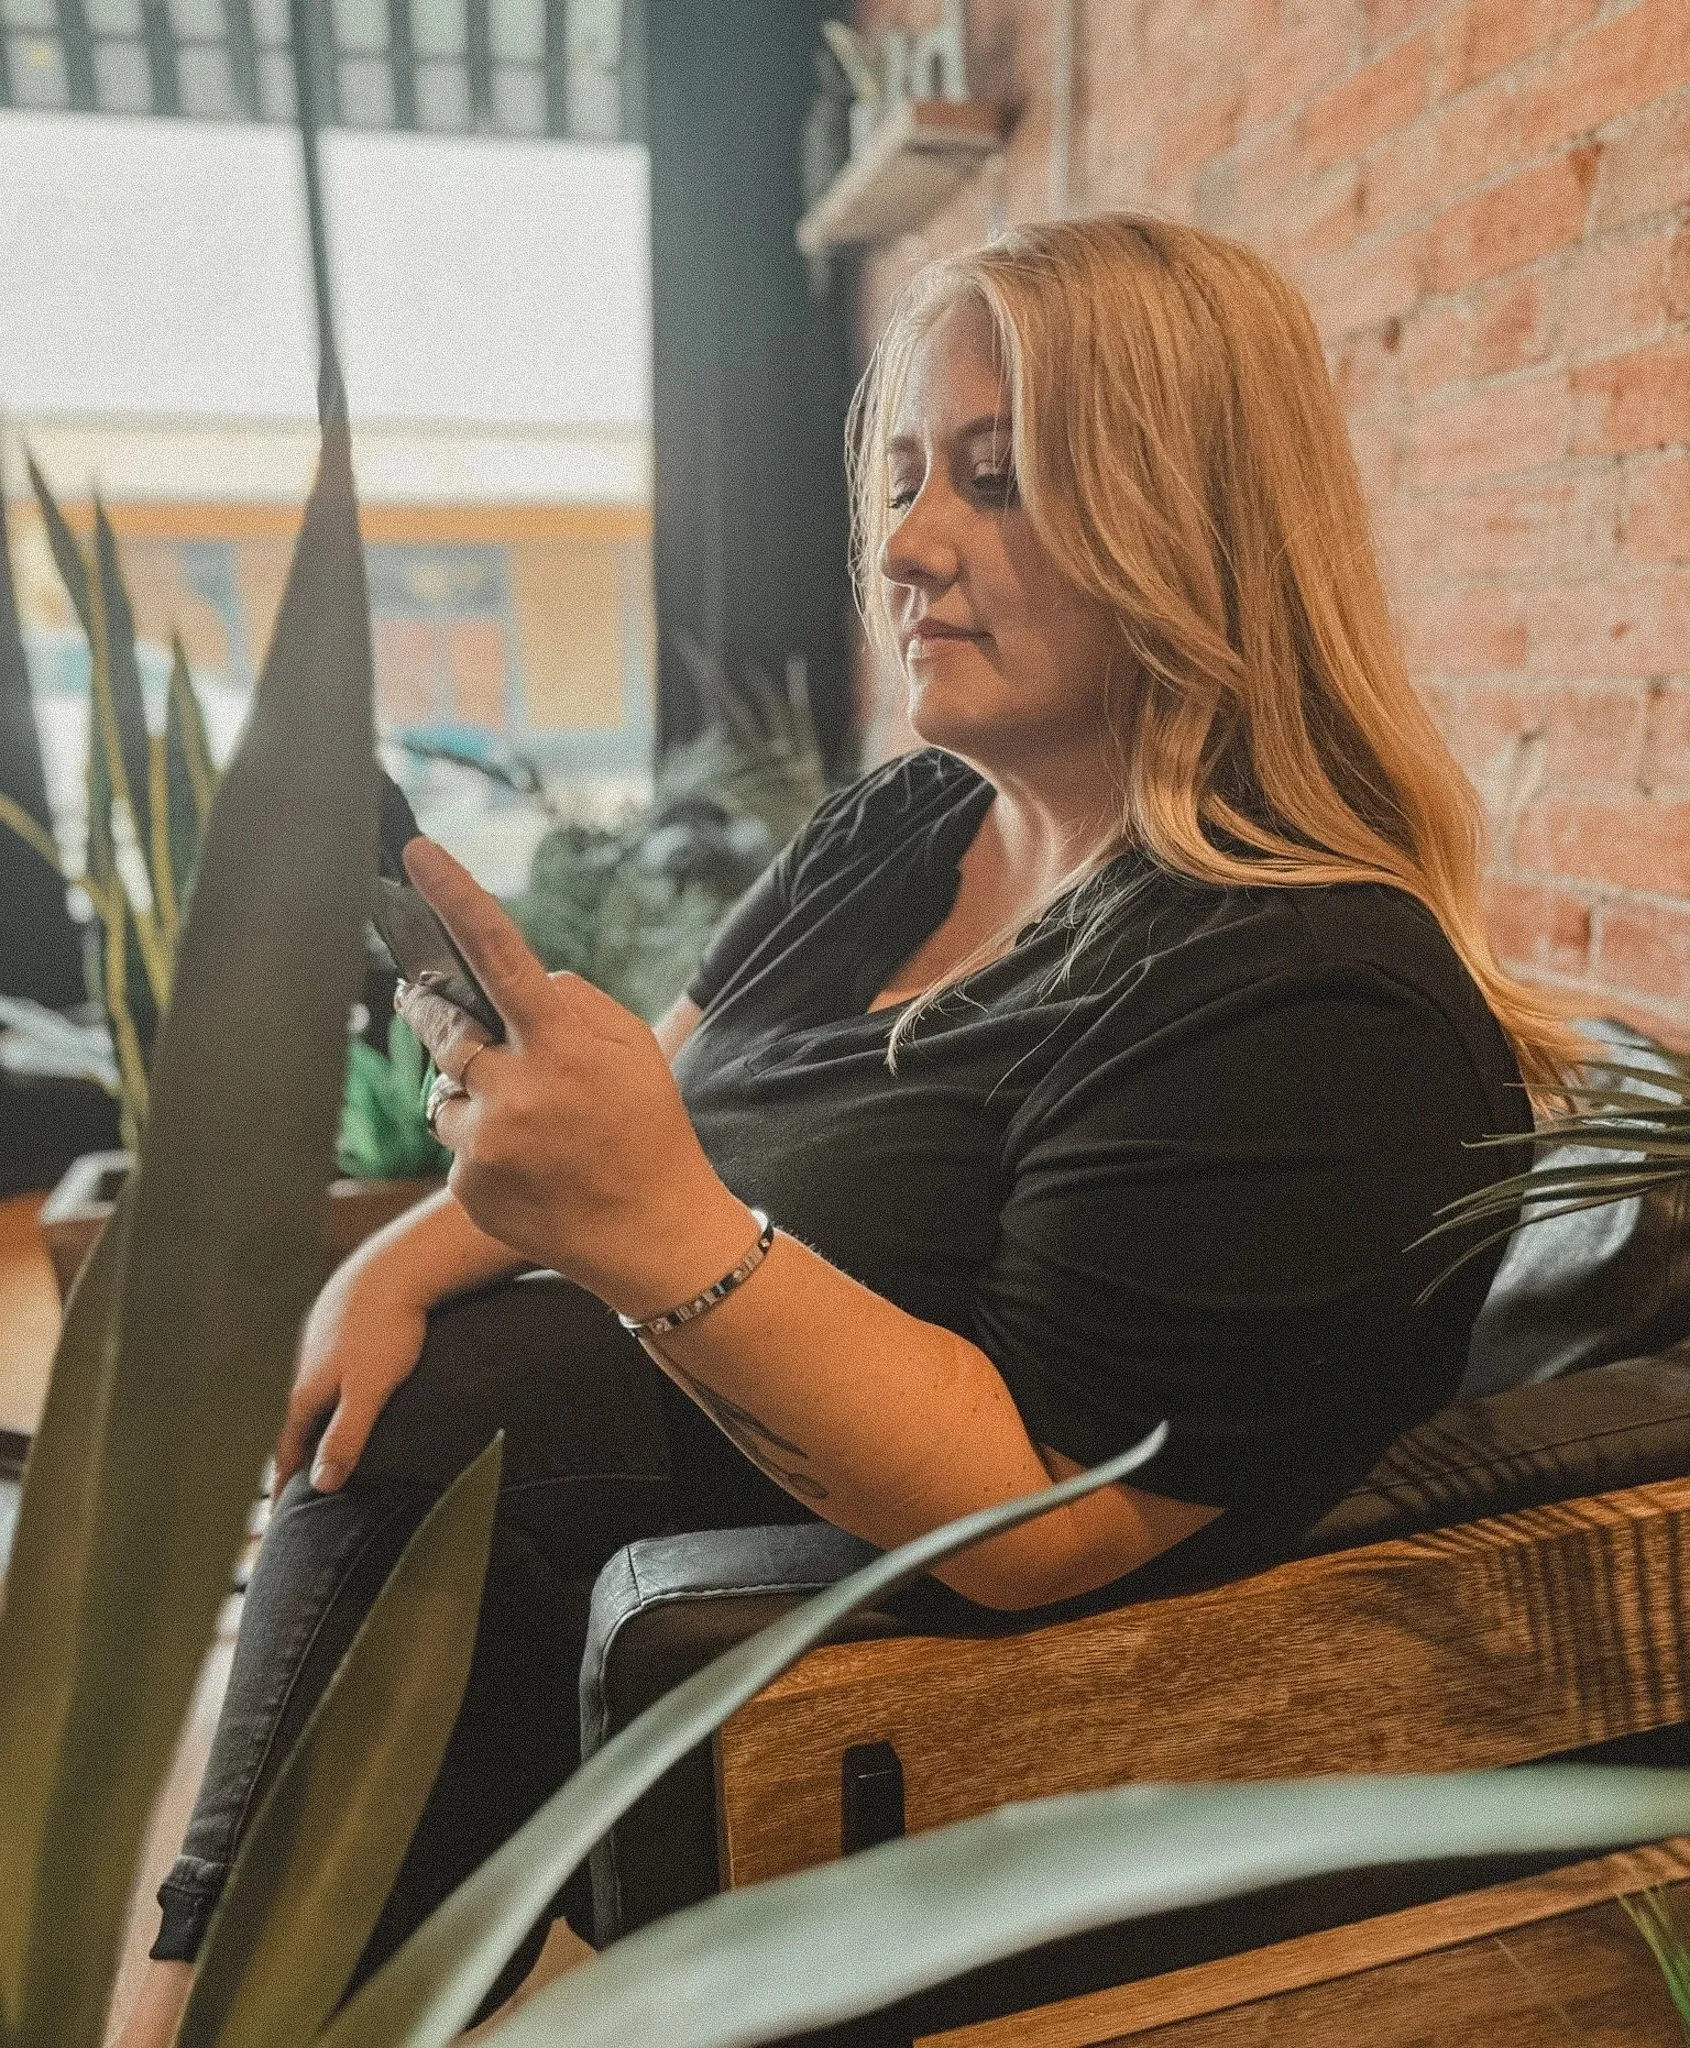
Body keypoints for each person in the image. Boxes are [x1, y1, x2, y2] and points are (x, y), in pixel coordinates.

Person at [115, 213, 1580, 2043]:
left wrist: (642, 1230)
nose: (902, 546)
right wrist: (412, 1257)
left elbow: (1044, 1521)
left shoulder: (1308, 1001)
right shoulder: (900, 828)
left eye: (998, 478)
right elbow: (665, 1088)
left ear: (1192, 521)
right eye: (899, 478)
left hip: (921, 1711)